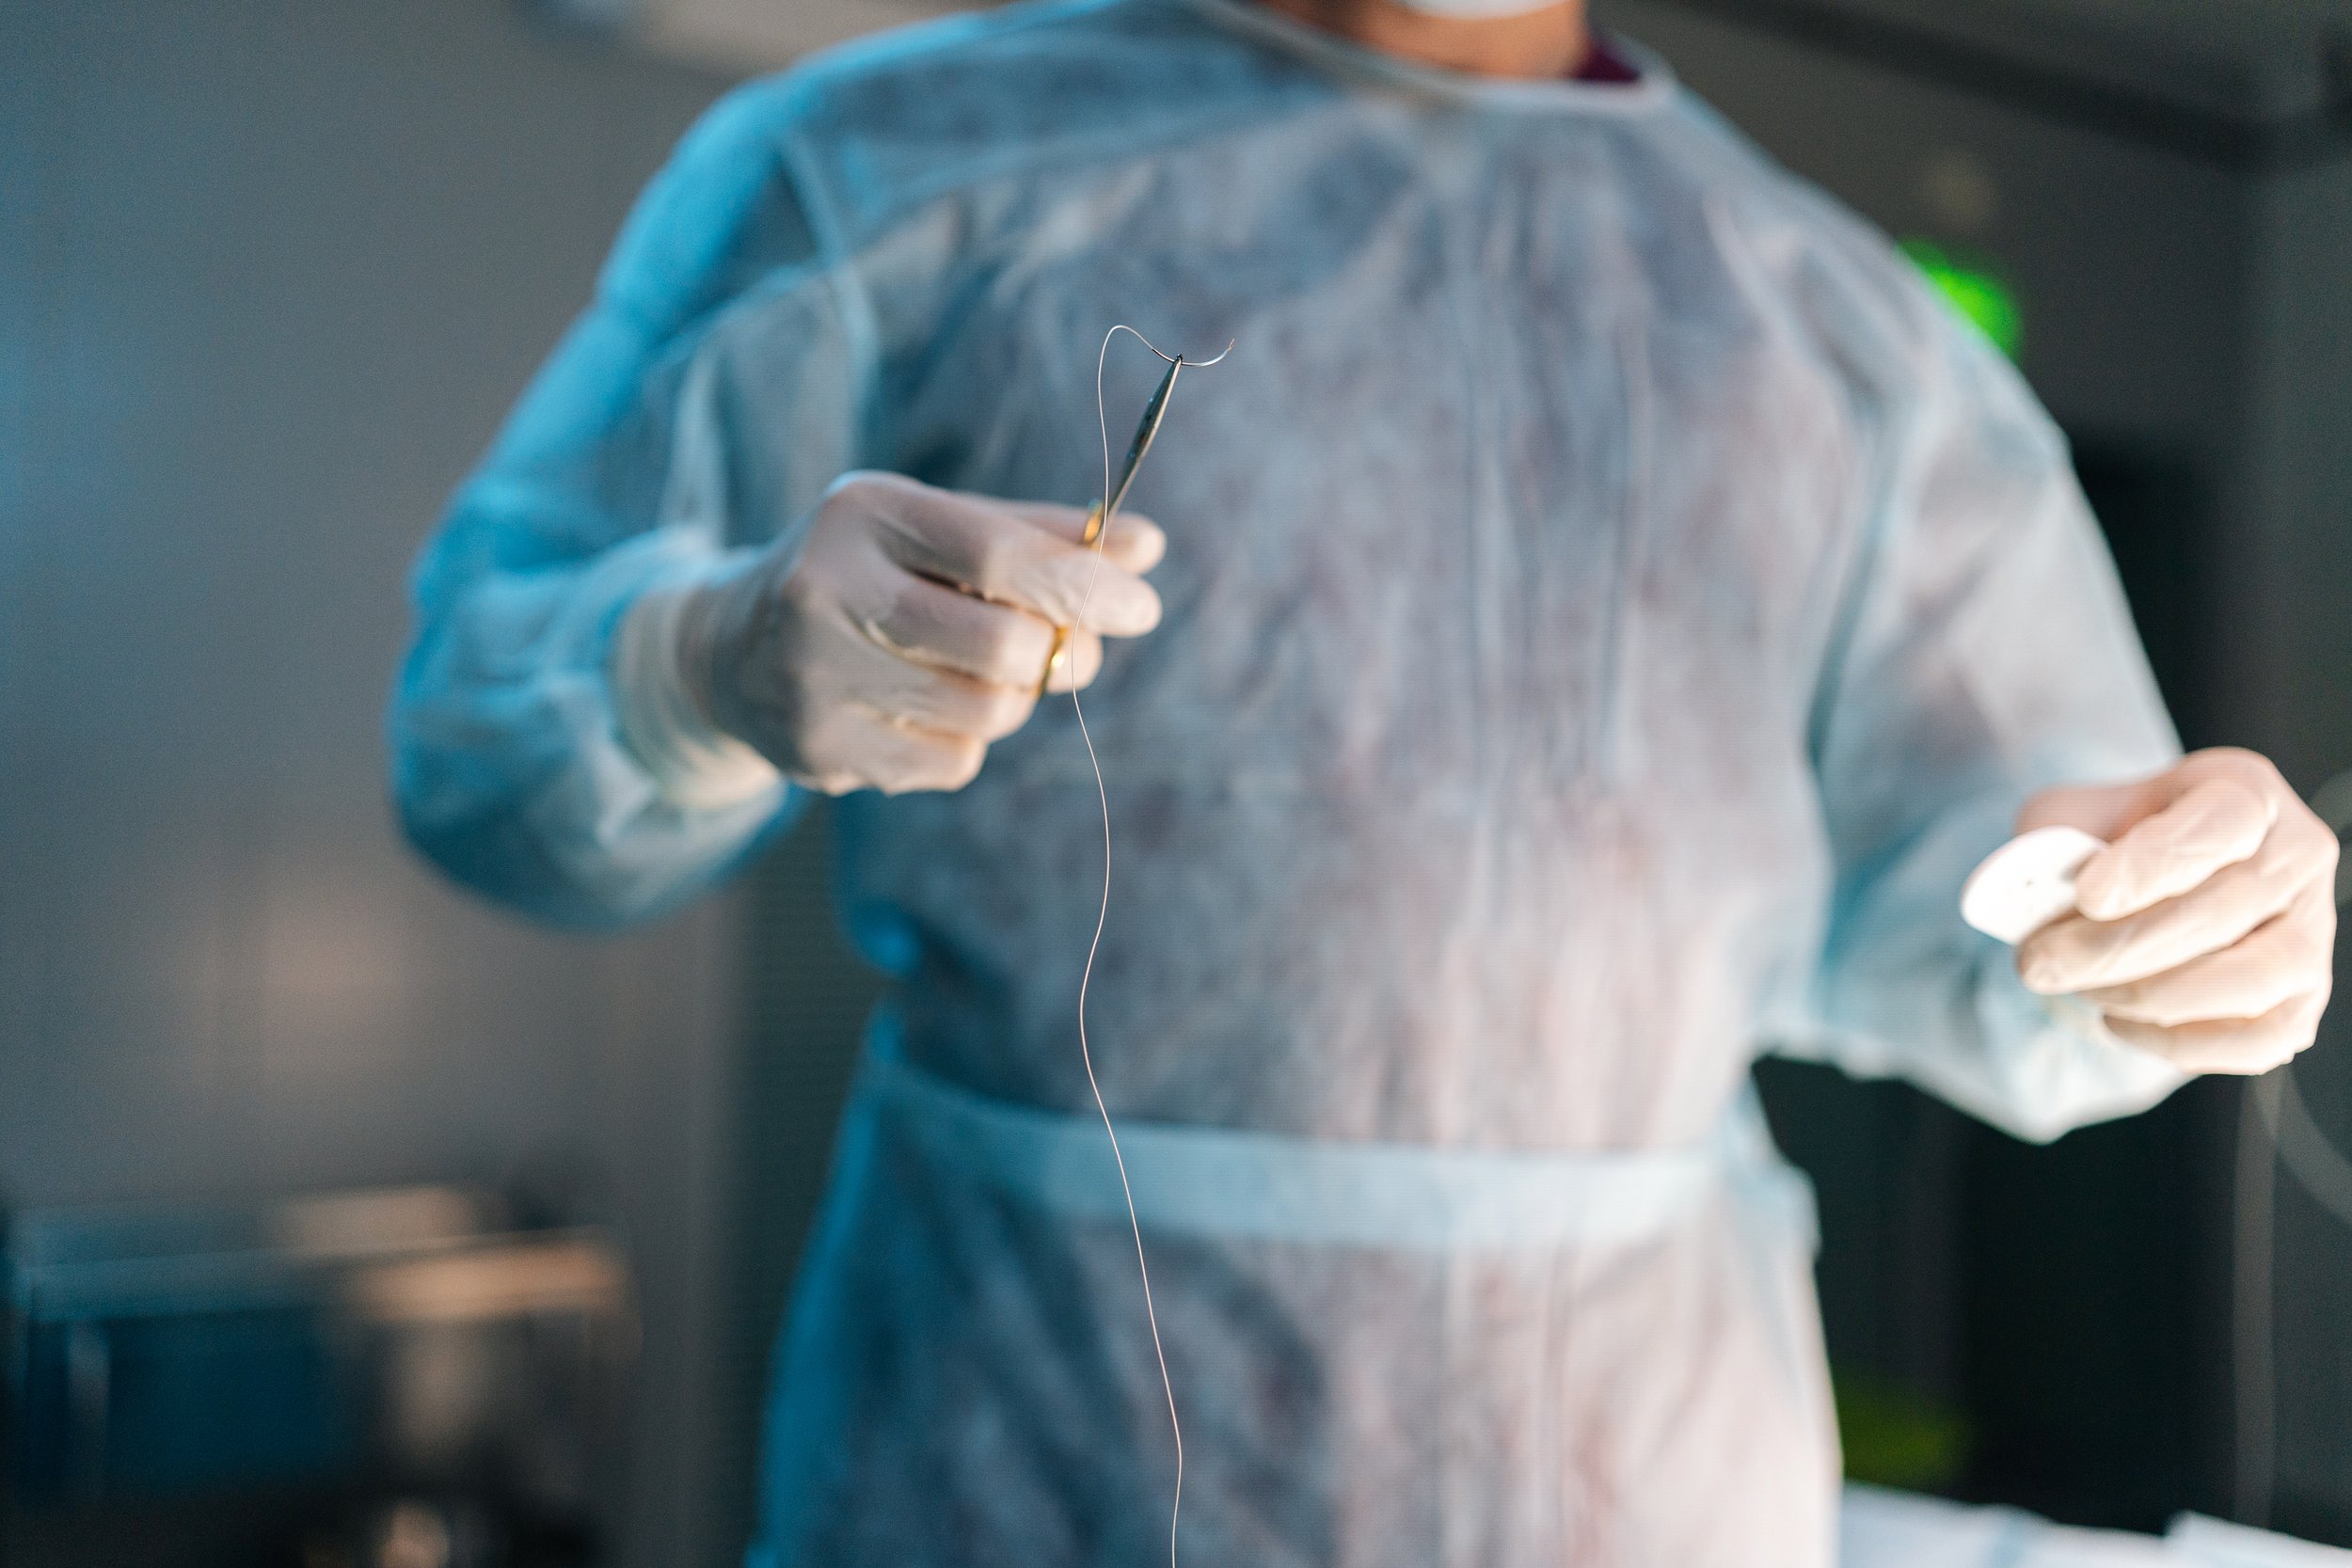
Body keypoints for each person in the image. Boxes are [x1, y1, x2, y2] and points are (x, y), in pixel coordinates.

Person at [388, 0, 2341, 1560]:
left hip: (1648, 1486)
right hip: (1020, 1455)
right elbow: (479, 751)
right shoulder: (867, 171)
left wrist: (2172, 927)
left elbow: (2014, 917)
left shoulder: (1844, 340)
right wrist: (687, 659)